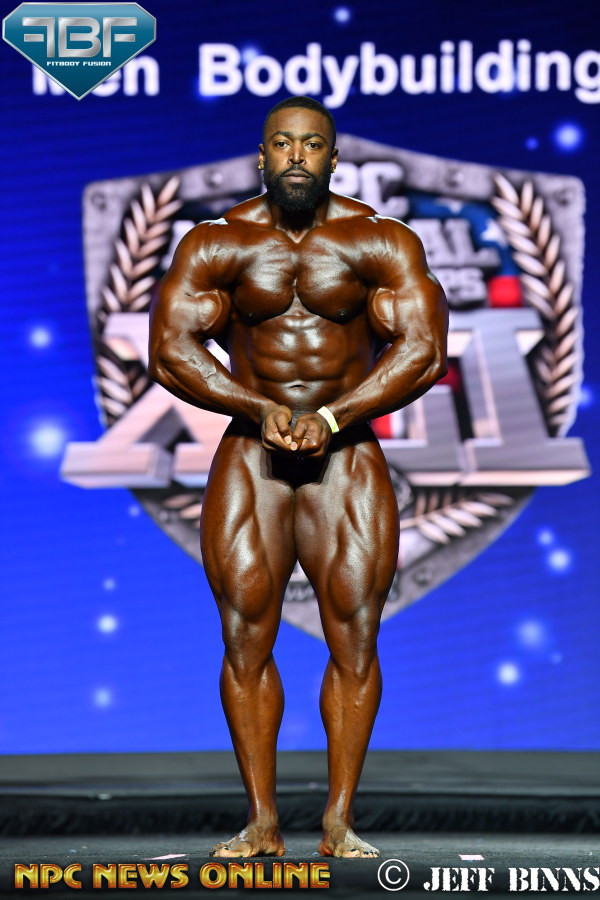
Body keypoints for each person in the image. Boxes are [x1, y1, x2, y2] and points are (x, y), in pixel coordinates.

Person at [148, 95, 448, 859]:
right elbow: (171, 350)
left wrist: (335, 417)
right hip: (253, 453)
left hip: (345, 456)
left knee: (355, 633)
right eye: (281, 143)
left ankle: (338, 821)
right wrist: (258, 406)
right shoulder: (217, 242)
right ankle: (262, 820)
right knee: (244, 633)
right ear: (261, 156)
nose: (296, 157)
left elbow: (423, 350)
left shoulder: (380, 240)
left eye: (311, 145)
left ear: (333, 159)